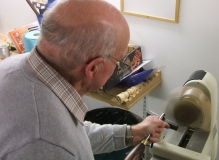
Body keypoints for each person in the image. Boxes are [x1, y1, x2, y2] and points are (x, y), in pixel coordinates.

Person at [0, 0, 169, 159]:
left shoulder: (13, 65)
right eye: (118, 60)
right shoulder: (47, 145)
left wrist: (135, 132)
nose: (118, 67)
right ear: (93, 68)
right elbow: (60, 140)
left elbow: (75, 133)